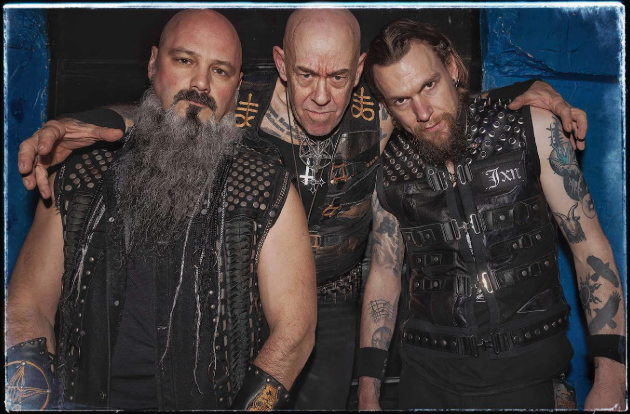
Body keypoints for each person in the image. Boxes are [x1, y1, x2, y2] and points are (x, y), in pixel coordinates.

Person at [14, 9, 588, 410]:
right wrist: (97, 122)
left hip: (335, 302)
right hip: (240, 293)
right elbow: (177, 108)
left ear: (358, 73)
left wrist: (529, 90)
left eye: (338, 77)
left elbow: (439, 107)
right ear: (282, 65)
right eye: (306, 74)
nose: (320, 96)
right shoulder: (239, 106)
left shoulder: (381, 114)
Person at [5, 9, 317, 411]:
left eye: (220, 71)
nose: (201, 83)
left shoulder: (265, 188)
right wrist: (33, 402)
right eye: (184, 60)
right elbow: (27, 305)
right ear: (154, 63)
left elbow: (295, 332)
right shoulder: (80, 175)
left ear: (237, 87)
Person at [356, 18, 626, 410]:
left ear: (451, 67)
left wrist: (612, 378)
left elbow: (589, 248)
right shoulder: (389, 168)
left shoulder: (531, 127)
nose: (423, 111)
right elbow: (384, 274)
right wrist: (368, 391)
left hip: (532, 373)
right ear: (386, 106)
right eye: (401, 101)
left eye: (428, 85)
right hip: (427, 379)